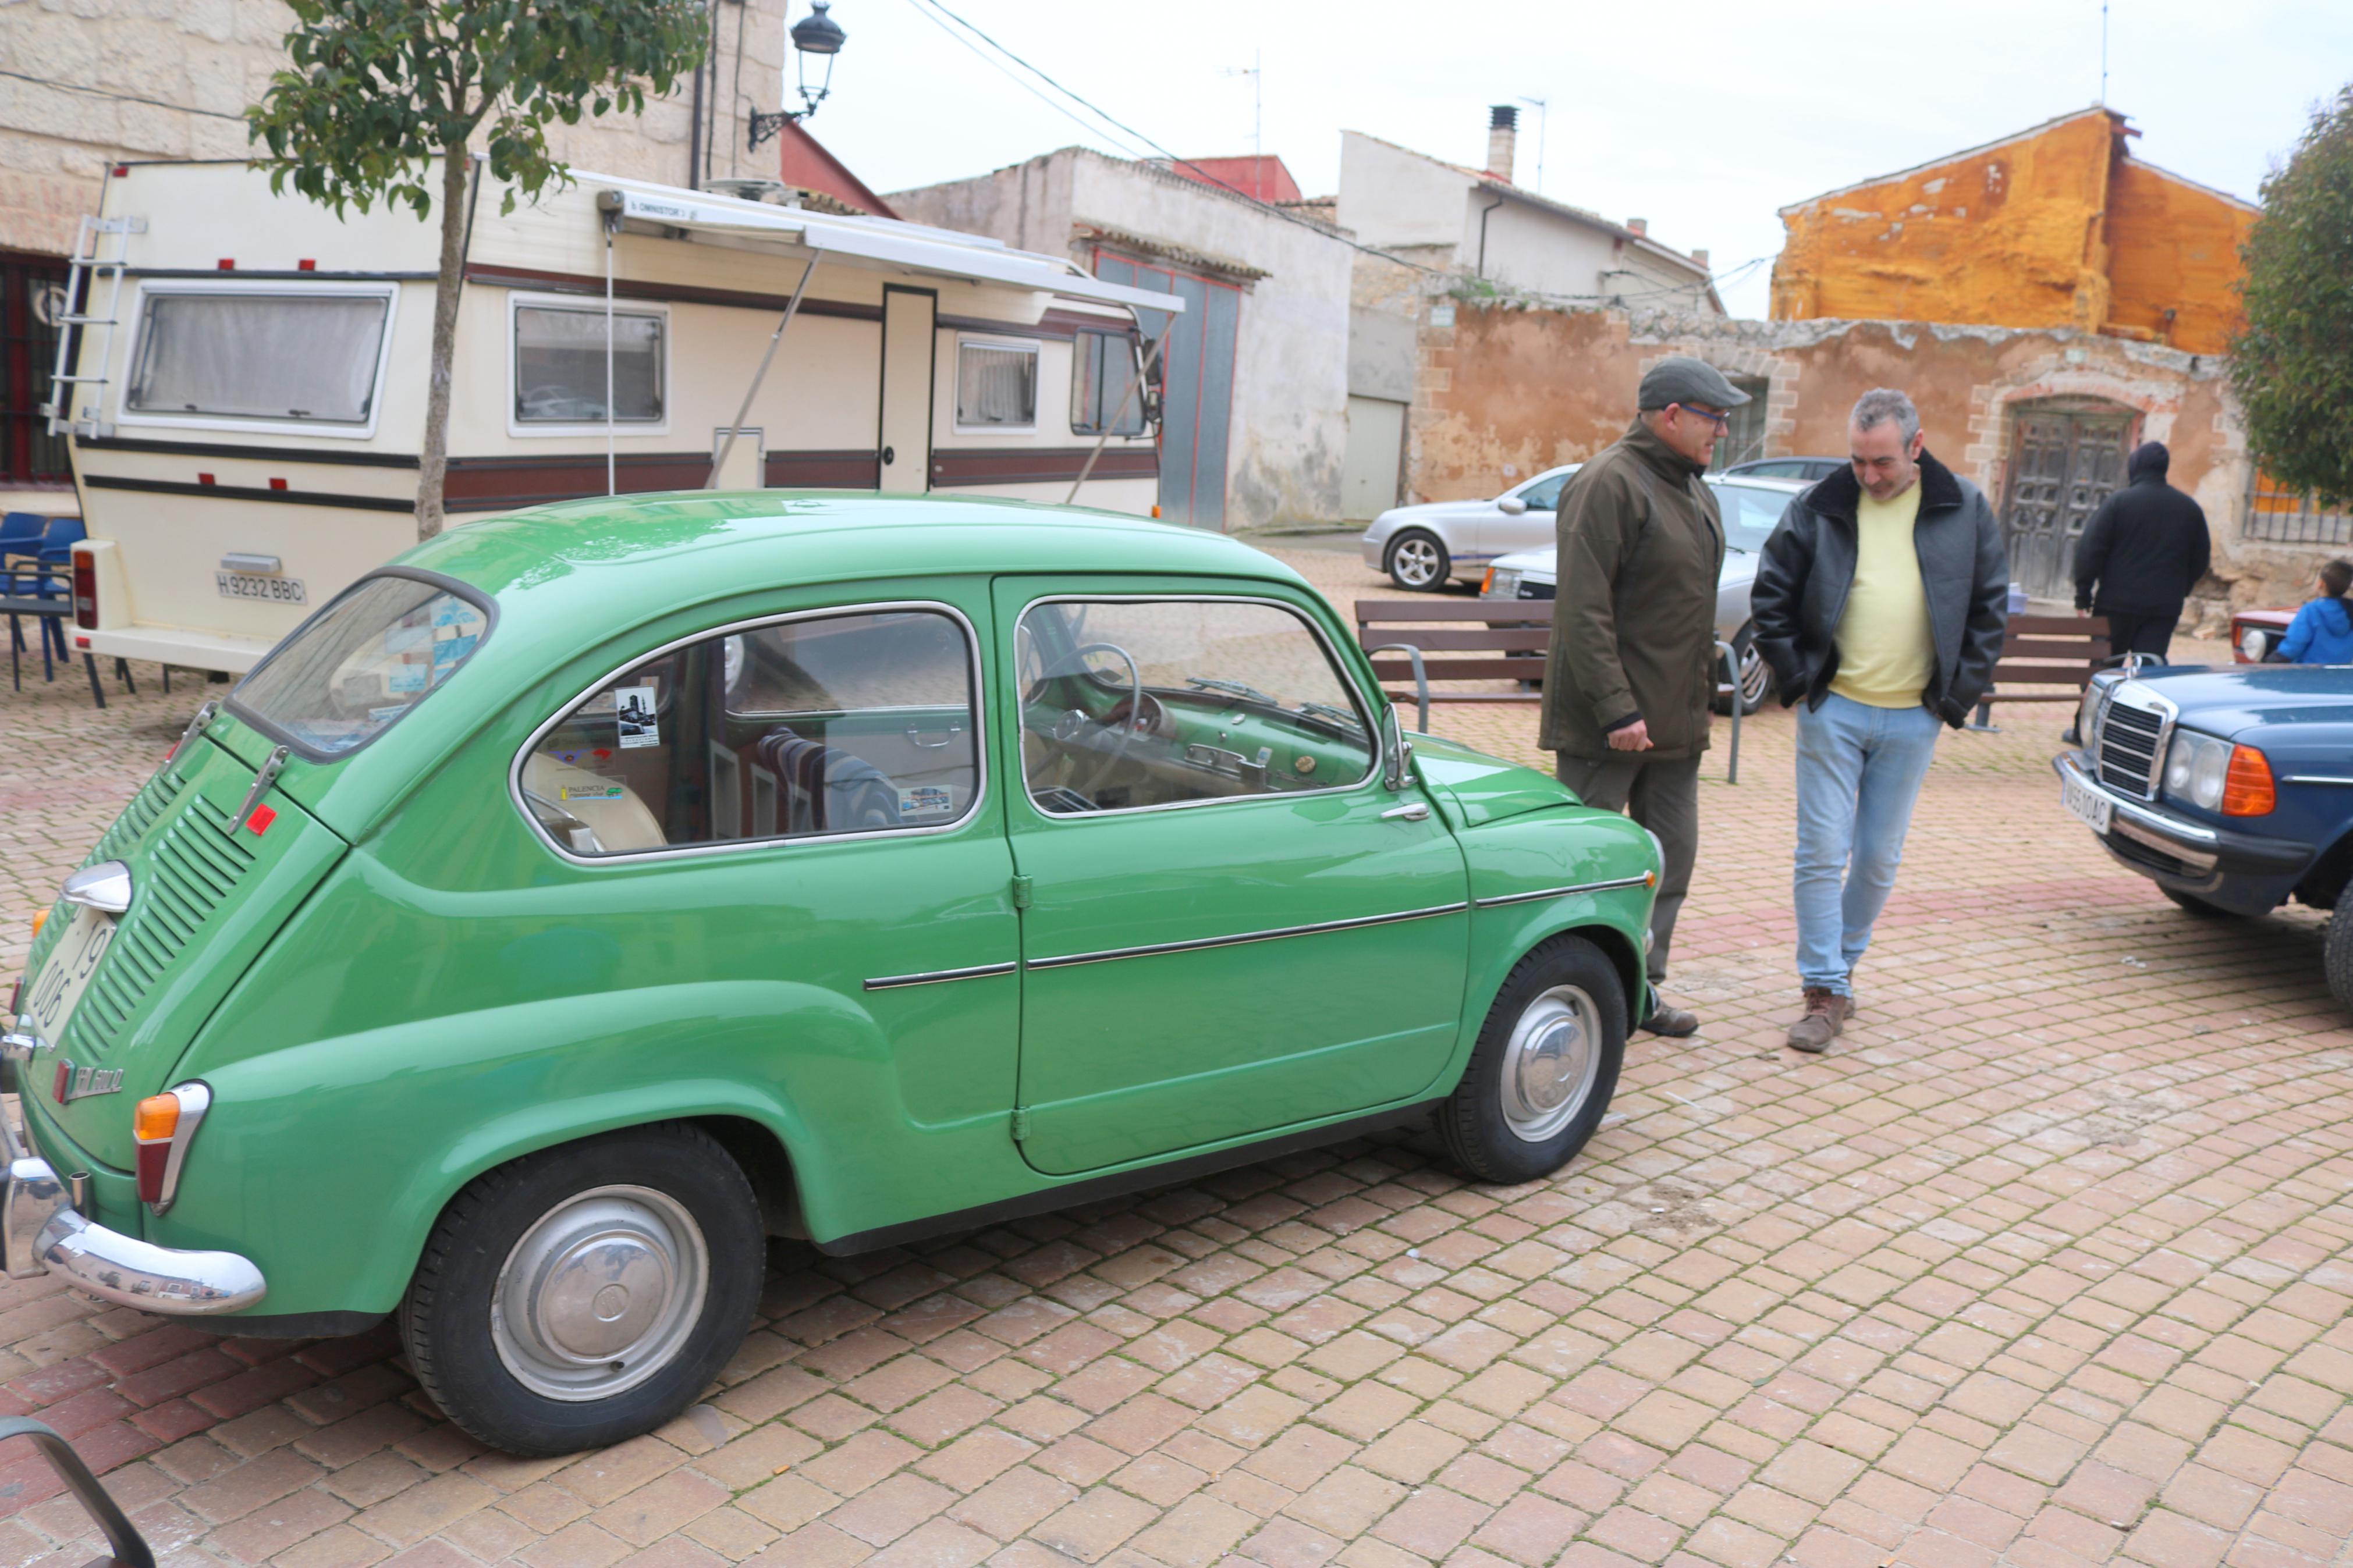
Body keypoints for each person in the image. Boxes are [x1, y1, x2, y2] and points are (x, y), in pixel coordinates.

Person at [1751, 389, 2007, 1053]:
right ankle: (1823, 986)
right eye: (1858, 460)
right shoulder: (1817, 505)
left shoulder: (1963, 507)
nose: (1867, 476)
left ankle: (1840, 968)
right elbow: (1771, 593)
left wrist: (1955, 696)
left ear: (1915, 447)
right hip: (1832, 708)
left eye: (1882, 462)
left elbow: (1987, 608)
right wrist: (1800, 680)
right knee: (1819, 852)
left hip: (1913, 715)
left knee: (1875, 859)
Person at [1542, 355, 1748, 1037]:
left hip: (1674, 725)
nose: (1720, 430)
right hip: (1612, 727)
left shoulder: (1693, 491)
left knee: (1668, 859)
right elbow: (1581, 609)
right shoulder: (1607, 484)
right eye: (1713, 418)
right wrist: (1615, 708)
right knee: (1586, 867)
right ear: (1670, 416)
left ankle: (1638, 990)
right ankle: (1563, 990)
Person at [2072, 441, 2211, 659]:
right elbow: (2200, 560)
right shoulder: (2189, 509)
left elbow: (2090, 551)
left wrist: (2083, 595)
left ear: (2135, 467)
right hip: (2163, 607)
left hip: (2115, 604)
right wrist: (2181, 588)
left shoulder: (2118, 503)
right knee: (2149, 672)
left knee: (2105, 670)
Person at [2276, 560, 2353, 664]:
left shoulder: (2311, 611)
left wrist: (2272, 660)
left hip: (2308, 675)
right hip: (2339, 676)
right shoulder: (2350, 611)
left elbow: (2294, 646)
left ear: (2321, 584)